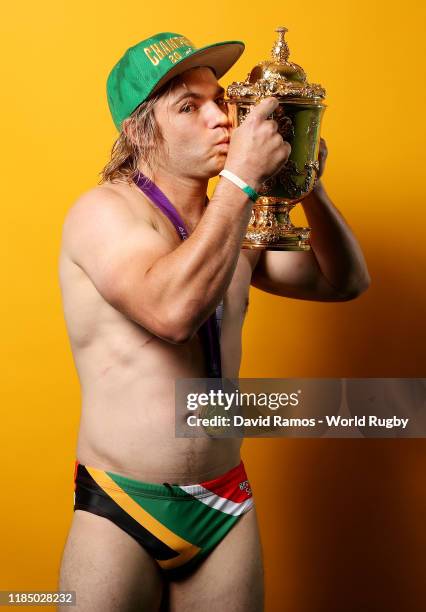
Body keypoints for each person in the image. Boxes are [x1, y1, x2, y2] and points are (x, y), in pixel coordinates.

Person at [58, 31, 370, 611]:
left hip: (225, 500)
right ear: (138, 129)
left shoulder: (231, 220)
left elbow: (343, 282)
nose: (222, 118)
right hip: (123, 501)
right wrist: (242, 183)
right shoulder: (103, 214)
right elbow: (172, 313)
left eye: (219, 98)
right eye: (188, 105)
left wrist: (309, 186)